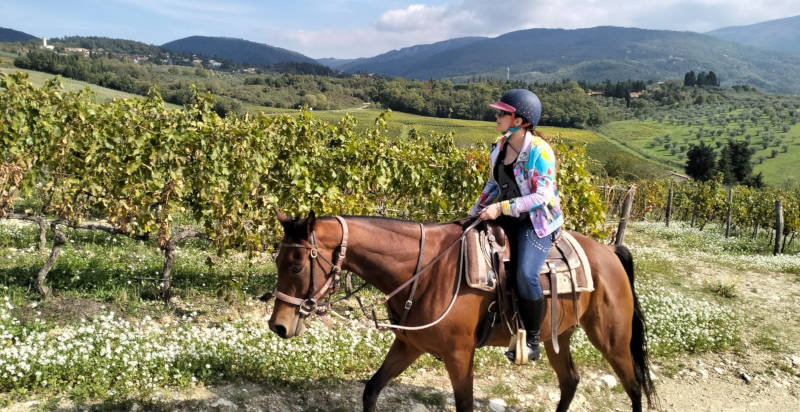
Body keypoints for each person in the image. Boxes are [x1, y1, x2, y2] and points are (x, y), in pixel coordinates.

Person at [468, 88, 564, 362]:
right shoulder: (499, 146)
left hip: (535, 222)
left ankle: (532, 340)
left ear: (520, 120)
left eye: (502, 113)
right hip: (504, 214)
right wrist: (474, 212)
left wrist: (500, 208)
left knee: (525, 275)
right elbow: (492, 184)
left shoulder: (540, 152)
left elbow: (541, 197)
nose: (496, 116)